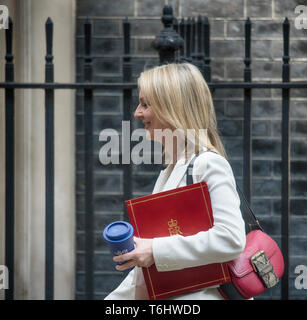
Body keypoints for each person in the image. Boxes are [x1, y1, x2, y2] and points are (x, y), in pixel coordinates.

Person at [104, 62, 246, 300]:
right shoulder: (171, 169)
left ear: (172, 108)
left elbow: (231, 238)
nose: (137, 113)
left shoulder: (207, 164)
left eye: (145, 104)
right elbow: (149, 267)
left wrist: (155, 250)